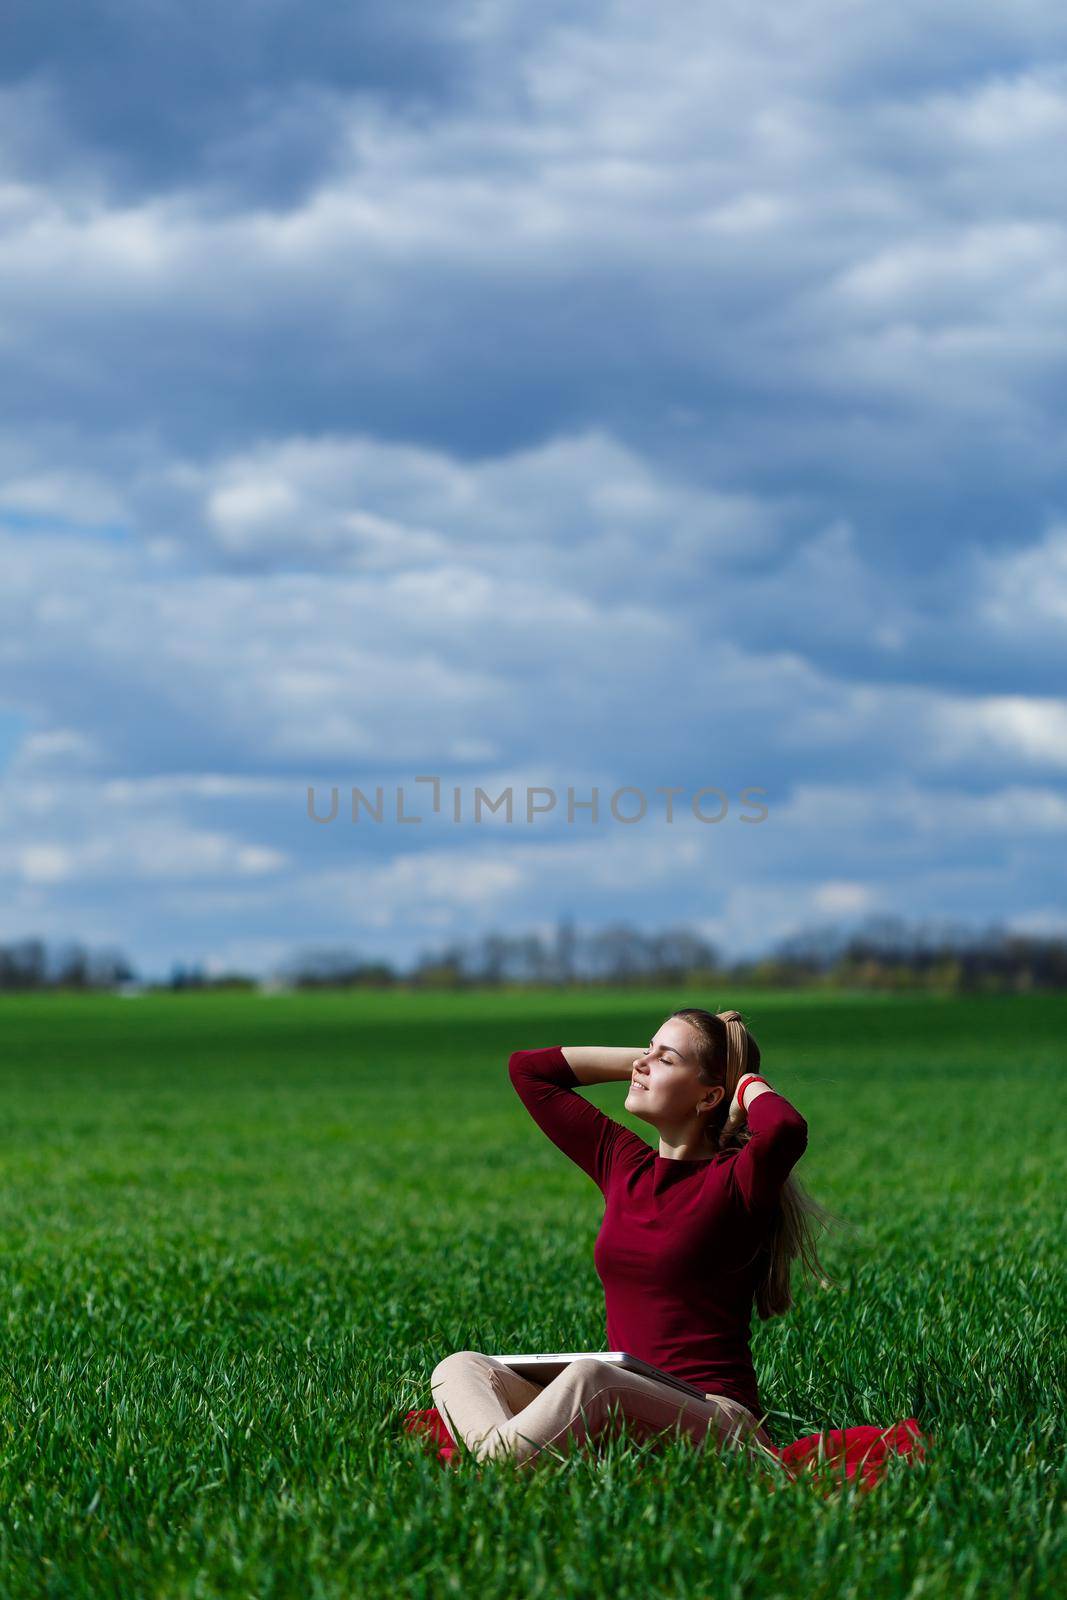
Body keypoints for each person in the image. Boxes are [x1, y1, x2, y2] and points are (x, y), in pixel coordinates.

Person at [431, 1007, 834, 1471]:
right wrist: (647, 1060)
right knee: (461, 1367)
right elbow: (528, 1070)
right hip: (622, 1407)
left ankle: (497, 1461)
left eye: (666, 1059)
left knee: (591, 1378)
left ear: (709, 1097)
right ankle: (501, 1455)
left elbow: (784, 1128)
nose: (643, 1064)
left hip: (716, 1418)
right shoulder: (624, 1164)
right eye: (648, 1048)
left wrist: (745, 1084)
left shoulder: (736, 1183)